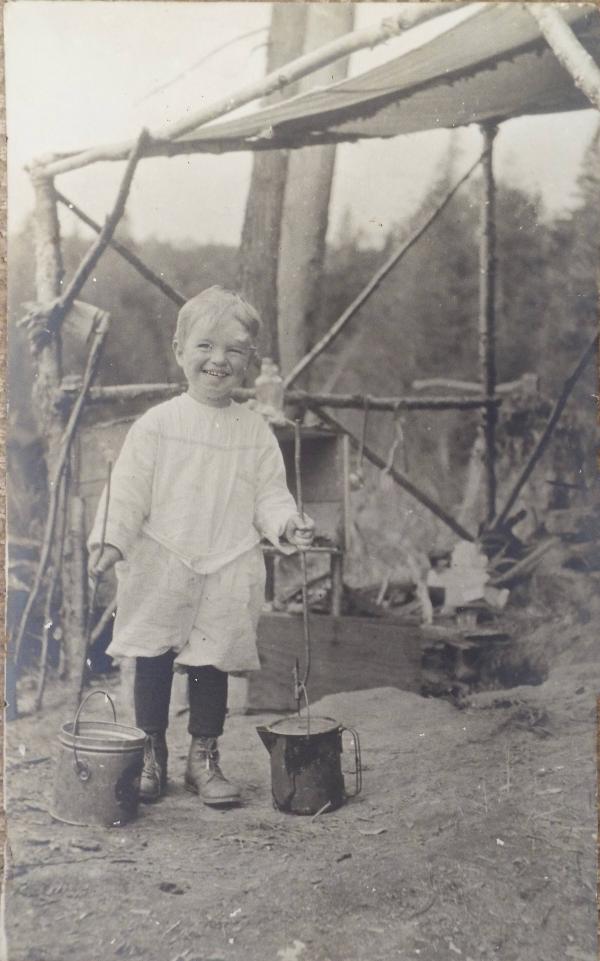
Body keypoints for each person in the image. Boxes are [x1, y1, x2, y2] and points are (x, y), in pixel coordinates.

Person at [87, 286, 314, 806]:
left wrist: (287, 523)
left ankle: (203, 757)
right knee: (153, 655)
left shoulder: (254, 431)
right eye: (205, 346)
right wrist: (111, 540)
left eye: (234, 350)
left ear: (249, 360)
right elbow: (128, 490)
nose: (219, 360)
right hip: (164, 557)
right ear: (180, 351)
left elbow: (269, 494)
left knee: (212, 661)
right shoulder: (158, 425)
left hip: (227, 560)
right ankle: (150, 752)